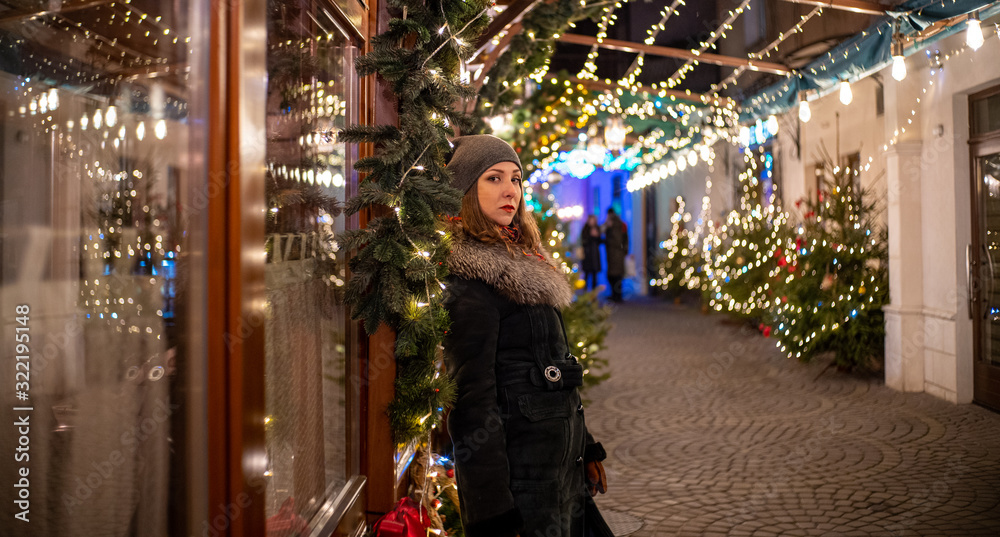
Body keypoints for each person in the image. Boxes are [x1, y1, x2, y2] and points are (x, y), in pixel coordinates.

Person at [441, 134, 611, 537]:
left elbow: (552, 366)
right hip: (525, 486)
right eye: (494, 178)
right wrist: (494, 513)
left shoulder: (525, 258)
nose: (510, 191)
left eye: (516, 179)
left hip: (561, 475)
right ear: (466, 189)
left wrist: (584, 447)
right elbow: (472, 400)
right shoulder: (471, 279)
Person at [603, 208, 629, 302]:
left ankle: (617, 295)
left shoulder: (616, 225)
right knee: (614, 276)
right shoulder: (617, 224)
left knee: (615, 276)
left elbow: (617, 240)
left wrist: (609, 228)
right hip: (614, 254)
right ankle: (616, 295)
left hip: (616, 253)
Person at [579, 214, 602, 291]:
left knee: (594, 275)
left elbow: (600, 241)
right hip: (587, 255)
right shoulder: (585, 229)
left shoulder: (597, 228)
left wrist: (597, 236)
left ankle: (594, 291)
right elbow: (583, 241)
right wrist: (591, 236)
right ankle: (585, 291)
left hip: (595, 255)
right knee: (586, 274)